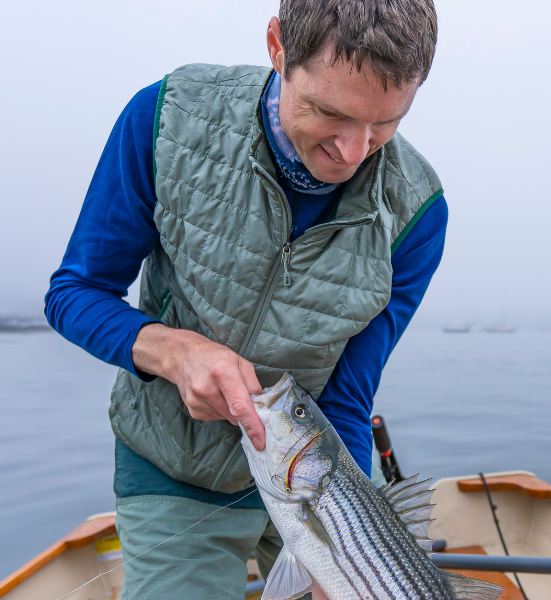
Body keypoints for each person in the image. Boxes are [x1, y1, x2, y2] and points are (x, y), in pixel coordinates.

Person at [43, 1, 445, 597]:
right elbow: (74, 293)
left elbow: (348, 399)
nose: (355, 151)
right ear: (278, 46)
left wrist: (356, 546)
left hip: (317, 481)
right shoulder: (165, 118)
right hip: (174, 463)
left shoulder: (417, 213)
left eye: (385, 122)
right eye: (328, 111)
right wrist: (174, 353)